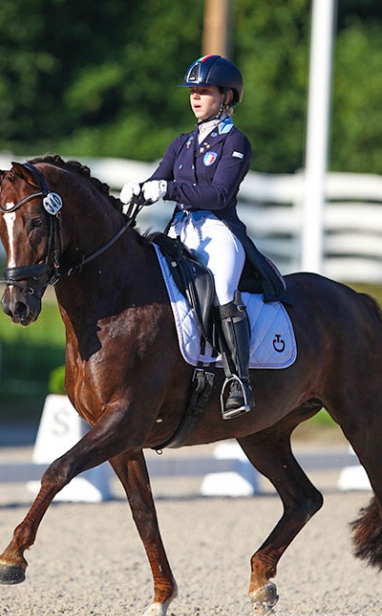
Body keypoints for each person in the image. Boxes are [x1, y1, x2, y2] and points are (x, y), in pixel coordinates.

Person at [120, 54, 283, 419]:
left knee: (223, 288)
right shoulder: (181, 143)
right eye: (192, 91)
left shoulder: (235, 142)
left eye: (204, 91)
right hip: (180, 229)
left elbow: (220, 194)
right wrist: (138, 190)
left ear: (226, 97)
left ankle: (238, 381)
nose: (195, 97)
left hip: (217, 230)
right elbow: (159, 178)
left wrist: (167, 189)